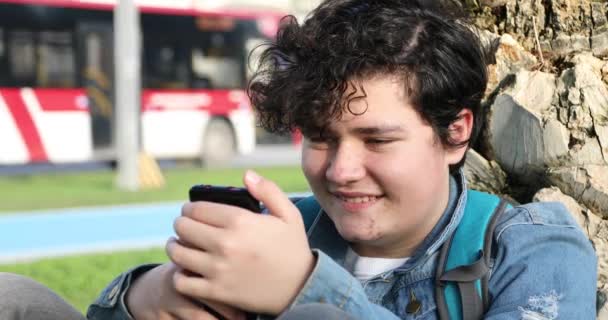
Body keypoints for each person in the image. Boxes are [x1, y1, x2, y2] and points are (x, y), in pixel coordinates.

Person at [4, 0, 597, 319]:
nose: (340, 170)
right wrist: (148, 297)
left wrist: (305, 291)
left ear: (454, 134)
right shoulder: (277, 227)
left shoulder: (531, 248)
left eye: (377, 140)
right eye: (320, 137)